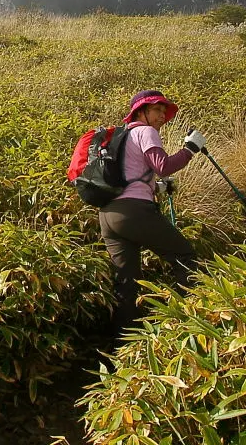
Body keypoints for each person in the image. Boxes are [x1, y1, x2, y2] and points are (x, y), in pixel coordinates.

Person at [100, 89, 205, 341]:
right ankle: (194, 324)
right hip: (134, 213)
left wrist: (156, 187)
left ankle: (123, 348)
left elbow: (127, 175)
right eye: (157, 109)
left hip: (108, 215)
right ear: (141, 111)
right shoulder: (146, 132)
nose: (161, 116)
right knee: (184, 256)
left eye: (163, 111)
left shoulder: (121, 137)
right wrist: (191, 148)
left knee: (127, 282)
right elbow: (163, 166)